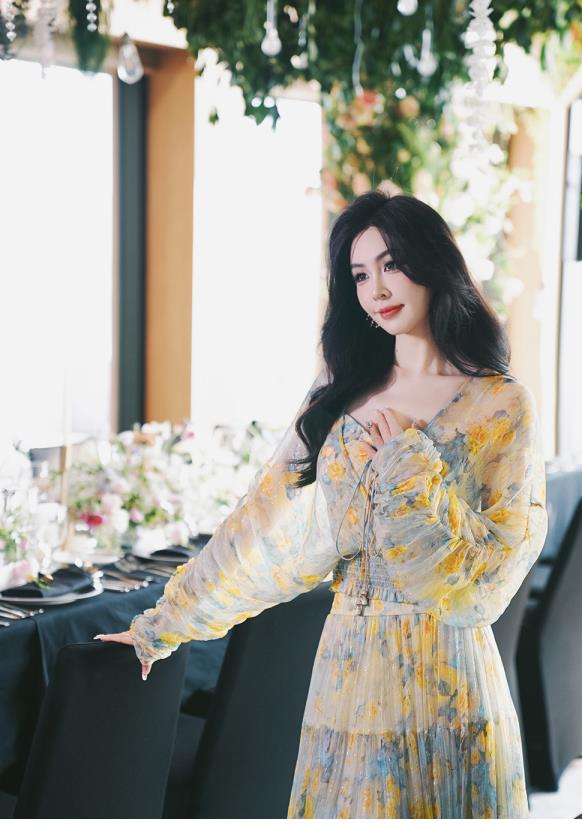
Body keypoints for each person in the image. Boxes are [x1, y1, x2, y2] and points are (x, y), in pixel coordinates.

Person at [94, 190, 548, 819]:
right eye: (359, 275)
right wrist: (161, 626)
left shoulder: (501, 404)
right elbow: (259, 524)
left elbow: (497, 567)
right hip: (348, 666)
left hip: (449, 673)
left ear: (433, 263)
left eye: (391, 265)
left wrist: (409, 466)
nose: (376, 289)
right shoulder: (339, 394)